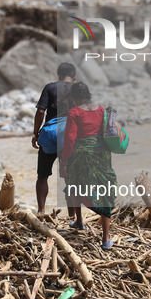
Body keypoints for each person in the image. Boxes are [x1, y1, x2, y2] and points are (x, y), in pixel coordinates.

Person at [59, 82, 116, 250]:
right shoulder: (100, 109)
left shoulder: (74, 112)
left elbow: (70, 139)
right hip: (103, 156)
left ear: (75, 98)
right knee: (104, 192)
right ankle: (106, 239)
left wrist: (64, 161)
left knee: (74, 185)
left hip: (83, 155)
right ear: (89, 95)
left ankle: (79, 221)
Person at [32, 63, 76, 215]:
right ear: (74, 77)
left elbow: (40, 111)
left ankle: (41, 211)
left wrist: (35, 133)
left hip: (50, 136)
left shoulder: (50, 88)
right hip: (70, 138)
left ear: (58, 75)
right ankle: (72, 216)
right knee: (70, 178)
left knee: (43, 175)